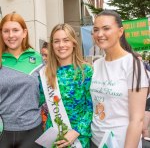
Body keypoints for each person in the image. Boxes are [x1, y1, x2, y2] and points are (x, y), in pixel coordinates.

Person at [90, 10, 149, 148]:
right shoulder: (97, 64)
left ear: (120, 31)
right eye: (96, 30)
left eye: (106, 28)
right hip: (95, 141)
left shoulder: (133, 65)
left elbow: (137, 120)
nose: (100, 34)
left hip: (121, 142)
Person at [40, 23, 93, 148]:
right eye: (56, 41)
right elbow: (37, 100)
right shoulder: (45, 73)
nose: (61, 45)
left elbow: (92, 107)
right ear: (52, 45)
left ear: (74, 43)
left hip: (78, 138)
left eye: (66, 40)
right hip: (53, 136)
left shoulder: (86, 71)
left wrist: (76, 131)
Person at [0, 13, 43, 148]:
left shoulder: (38, 59)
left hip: (32, 131)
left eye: (15, 30)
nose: (11, 35)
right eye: (6, 31)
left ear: (24, 33)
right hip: (2, 132)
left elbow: (45, 93)